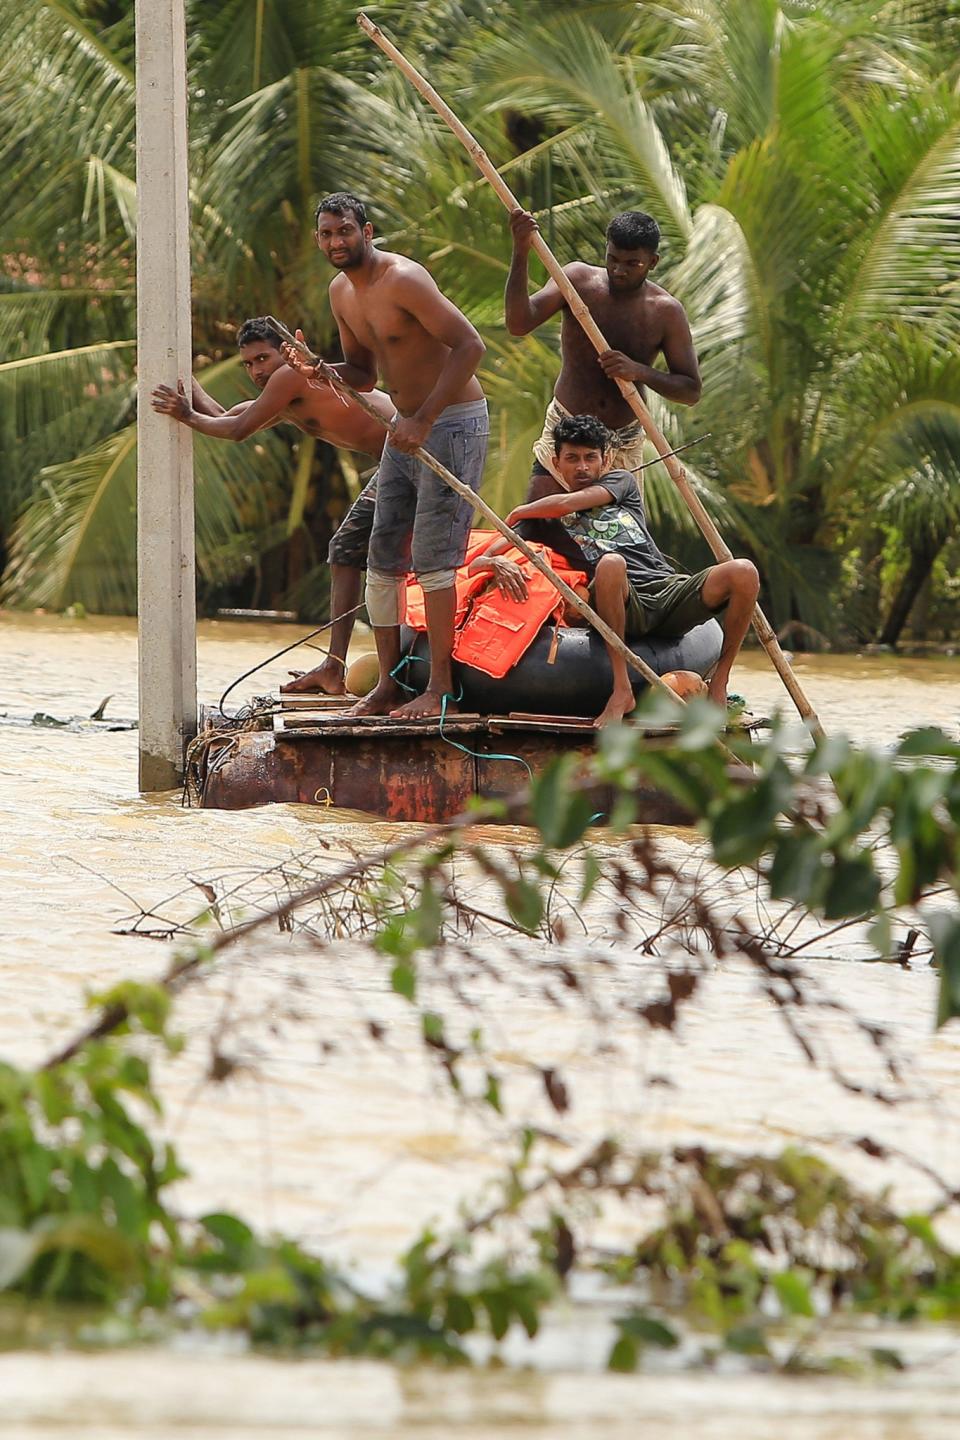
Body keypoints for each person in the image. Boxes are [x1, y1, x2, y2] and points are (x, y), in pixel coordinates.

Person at [283, 192, 488, 720]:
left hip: (452, 422)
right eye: (327, 234)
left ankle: (440, 687)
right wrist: (317, 369)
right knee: (382, 555)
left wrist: (425, 419)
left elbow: (470, 346)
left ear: (367, 231)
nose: (336, 242)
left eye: (345, 231)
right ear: (318, 239)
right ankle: (389, 686)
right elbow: (363, 375)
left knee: (435, 559)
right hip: (405, 427)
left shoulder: (404, 279)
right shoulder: (341, 293)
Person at [151, 317, 394, 695]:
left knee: (370, 556)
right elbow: (223, 417)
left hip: (410, 452)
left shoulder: (292, 376)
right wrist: (186, 380)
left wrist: (184, 413)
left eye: (263, 358)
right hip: (393, 463)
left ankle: (354, 670)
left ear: (286, 352)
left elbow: (235, 431)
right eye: (248, 364)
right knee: (348, 552)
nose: (257, 371)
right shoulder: (281, 396)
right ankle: (335, 667)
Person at [503, 414, 758, 728]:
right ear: (556, 462)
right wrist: (494, 559)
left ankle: (719, 683)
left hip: (665, 589)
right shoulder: (542, 520)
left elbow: (572, 502)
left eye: (590, 458)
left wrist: (521, 509)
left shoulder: (620, 482)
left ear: (604, 460)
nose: (582, 467)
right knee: (611, 563)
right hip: (623, 599)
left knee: (743, 571)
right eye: (572, 459)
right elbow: (494, 547)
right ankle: (622, 690)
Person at [504, 206, 701, 567]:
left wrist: (640, 371)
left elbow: (689, 390)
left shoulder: (665, 311)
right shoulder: (577, 280)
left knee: (617, 547)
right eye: (613, 259)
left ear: (652, 262)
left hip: (619, 443)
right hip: (565, 430)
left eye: (632, 264)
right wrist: (520, 250)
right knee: (533, 527)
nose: (619, 270)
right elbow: (519, 322)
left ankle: (616, 615)